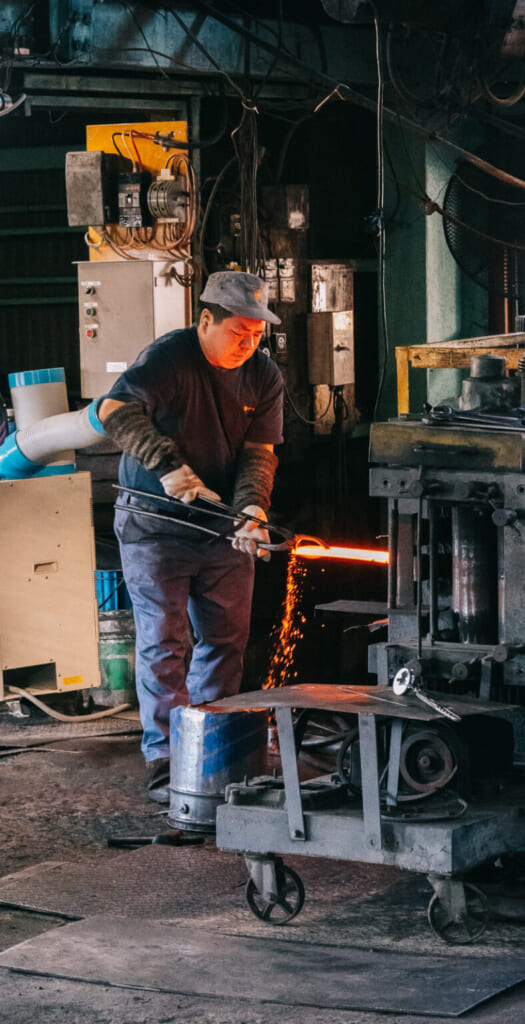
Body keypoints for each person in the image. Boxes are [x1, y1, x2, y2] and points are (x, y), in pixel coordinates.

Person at [97, 271, 283, 803]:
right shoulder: (169, 359)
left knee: (225, 643)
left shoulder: (264, 376)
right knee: (165, 645)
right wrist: (167, 466)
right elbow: (114, 409)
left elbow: (259, 454)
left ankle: (213, 751)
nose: (247, 345)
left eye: (255, 336)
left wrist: (251, 507)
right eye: (237, 333)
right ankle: (165, 758)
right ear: (206, 320)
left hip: (222, 531)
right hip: (155, 528)